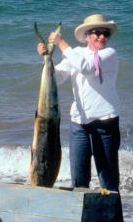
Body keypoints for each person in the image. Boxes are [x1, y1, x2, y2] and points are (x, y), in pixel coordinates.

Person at [37, 13, 122, 194]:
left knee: (108, 182)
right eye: (96, 32)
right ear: (86, 36)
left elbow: (87, 67)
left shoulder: (109, 54)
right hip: (79, 124)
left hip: (104, 123)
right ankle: (83, 220)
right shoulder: (75, 53)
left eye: (105, 33)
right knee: (78, 182)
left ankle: (112, 221)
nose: (101, 36)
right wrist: (46, 59)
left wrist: (61, 44)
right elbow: (57, 77)